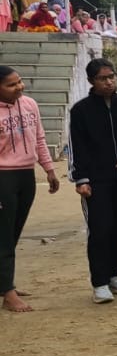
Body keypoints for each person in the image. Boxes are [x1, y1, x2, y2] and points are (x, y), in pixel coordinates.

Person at [70, 59, 117, 304]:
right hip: (96, 180)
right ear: (91, 81)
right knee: (100, 230)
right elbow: (77, 147)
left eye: (111, 76)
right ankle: (99, 283)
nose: (109, 82)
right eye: (103, 78)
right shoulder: (81, 111)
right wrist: (81, 179)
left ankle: (114, 274)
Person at [0, 67, 61, 312]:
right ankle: (8, 292)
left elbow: (39, 138)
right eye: (12, 85)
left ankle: (4, 283)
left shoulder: (30, 104)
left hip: (26, 175)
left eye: (20, 82)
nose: (19, 87)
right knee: (3, 235)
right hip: (3, 176)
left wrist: (49, 169)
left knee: (13, 232)